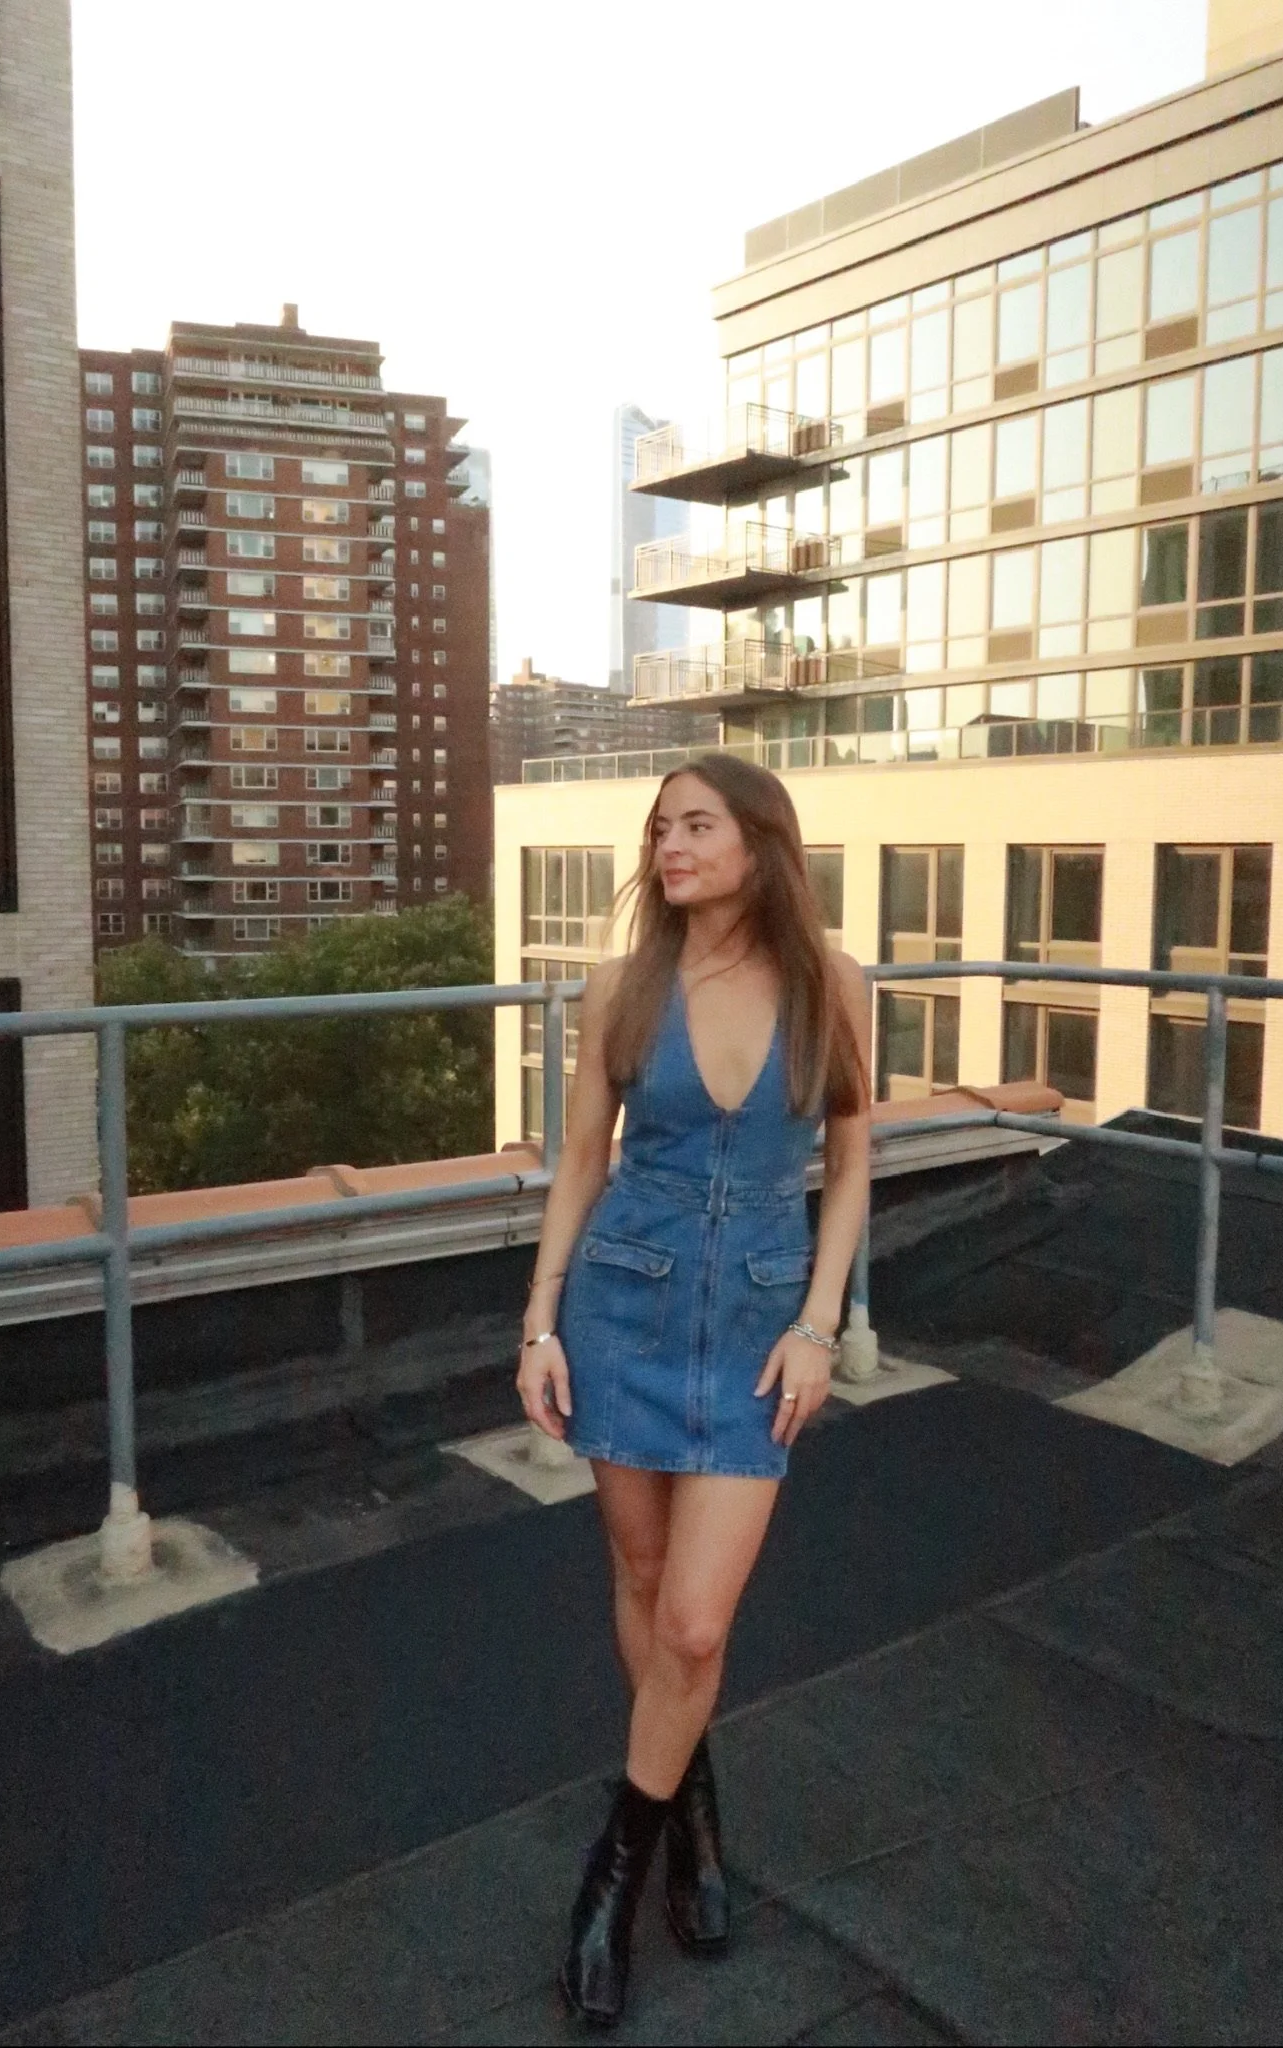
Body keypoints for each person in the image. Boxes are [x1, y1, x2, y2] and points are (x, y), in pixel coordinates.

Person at [516, 752, 872, 2027]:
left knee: (696, 1623)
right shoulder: (621, 987)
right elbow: (579, 1159)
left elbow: (850, 1161)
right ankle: (691, 1799)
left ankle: (612, 1871)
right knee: (641, 1576)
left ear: (759, 841)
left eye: (697, 824)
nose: (669, 844)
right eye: (660, 826)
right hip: (623, 1308)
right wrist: (540, 1320)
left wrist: (821, 1323)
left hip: (759, 1330)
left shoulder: (833, 982)